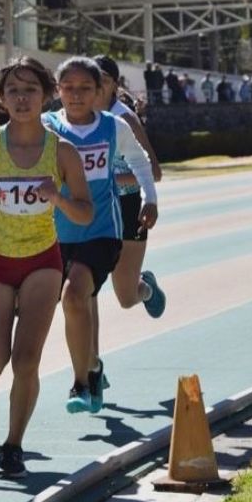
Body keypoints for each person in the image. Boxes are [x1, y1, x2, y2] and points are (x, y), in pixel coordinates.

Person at [0, 56, 93, 479]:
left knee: (26, 360)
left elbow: (84, 213)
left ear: (45, 95)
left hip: (42, 262)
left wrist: (59, 198)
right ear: (1, 96)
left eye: (30, 89)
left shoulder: (61, 151)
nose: (22, 97)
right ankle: (4, 314)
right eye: (13, 90)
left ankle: (12, 446)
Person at [43, 57, 158, 415]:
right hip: (54, 233)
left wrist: (149, 198)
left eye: (85, 88)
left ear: (99, 92)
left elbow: (140, 161)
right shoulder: (45, 126)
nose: (76, 95)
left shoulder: (113, 126)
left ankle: (80, 384)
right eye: (69, 88)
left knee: (75, 294)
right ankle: (91, 366)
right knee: (73, 302)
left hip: (101, 229)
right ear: (57, 90)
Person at [94, 56, 166, 323]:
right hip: (93, 210)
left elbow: (154, 172)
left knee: (126, 298)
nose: (97, 86)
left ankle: (146, 288)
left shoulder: (124, 119)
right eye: (93, 79)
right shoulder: (76, 118)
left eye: (104, 79)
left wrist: (111, 177)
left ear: (115, 84)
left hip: (129, 209)